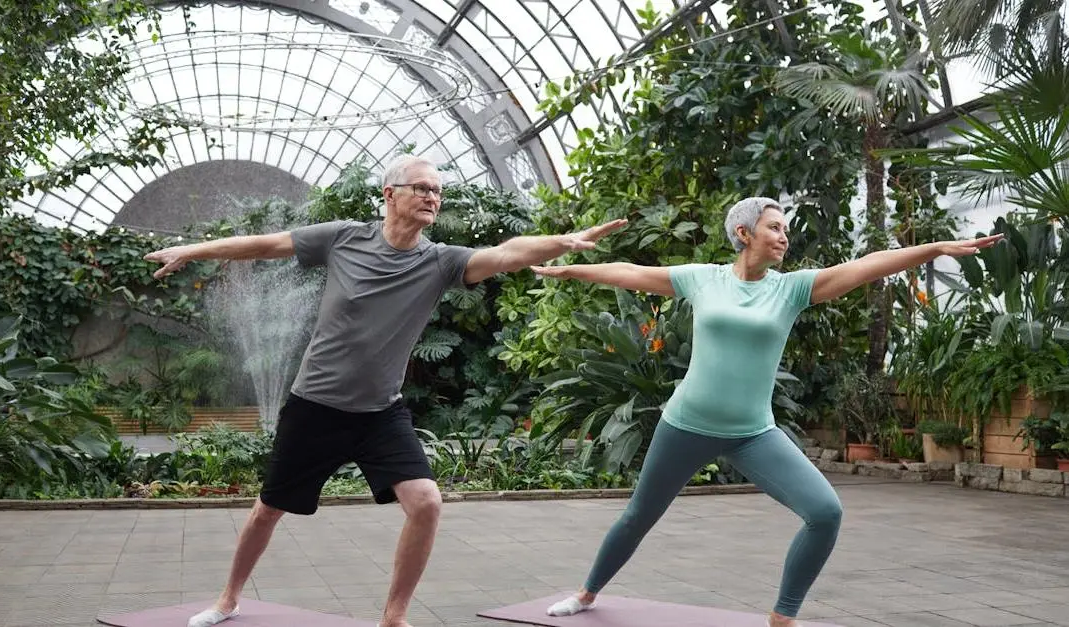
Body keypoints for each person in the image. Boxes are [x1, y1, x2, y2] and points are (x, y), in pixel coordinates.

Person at [143, 154, 627, 627]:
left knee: (427, 503)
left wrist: (563, 241)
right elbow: (266, 245)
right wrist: (192, 250)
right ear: (389, 194)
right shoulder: (343, 238)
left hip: (380, 413)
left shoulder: (440, 263)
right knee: (269, 509)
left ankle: (394, 618)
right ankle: (228, 599)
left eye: (437, 190)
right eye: (421, 187)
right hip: (315, 407)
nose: (431, 197)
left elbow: (506, 254)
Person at [532, 197, 1003, 627]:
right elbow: (631, 272)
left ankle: (783, 617)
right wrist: (571, 271)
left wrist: (934, 247)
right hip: (685, 425)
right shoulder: (702, 279)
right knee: (638, 516)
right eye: (774, 227)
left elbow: (866, 266)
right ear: (743, 233)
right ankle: (586, 593)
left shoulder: (792, 290)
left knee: (825, 512)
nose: (784, 236)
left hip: (752, 433)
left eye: (785, 229)